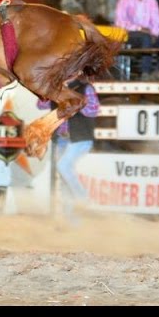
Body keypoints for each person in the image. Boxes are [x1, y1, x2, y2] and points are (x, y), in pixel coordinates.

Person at [38, 76, 99, 224]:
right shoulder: (54, 88)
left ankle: (83, 198)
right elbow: (41, 105)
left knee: (63, 167)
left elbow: (93, 110)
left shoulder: (84, 88)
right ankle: (73, 222)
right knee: (65, 180)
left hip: (79, 138)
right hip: (63, 138)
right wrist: (45, 91)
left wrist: (75, 102)